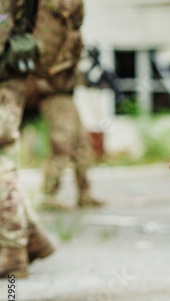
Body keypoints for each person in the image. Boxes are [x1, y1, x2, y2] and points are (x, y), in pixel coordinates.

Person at [24, 0, 103, 209]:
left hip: (62, 88)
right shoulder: (48, 17)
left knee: (79, 142)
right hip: (52, 90)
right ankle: (49, 194)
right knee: (63, 140)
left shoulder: (63, 21)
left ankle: (84, 192)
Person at [0, 0, 55, 278]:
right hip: (8, 73)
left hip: (4, 76)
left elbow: (2, 22)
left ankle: (12, 254)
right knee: (4, 159)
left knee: (3, 165)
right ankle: (32, 238)